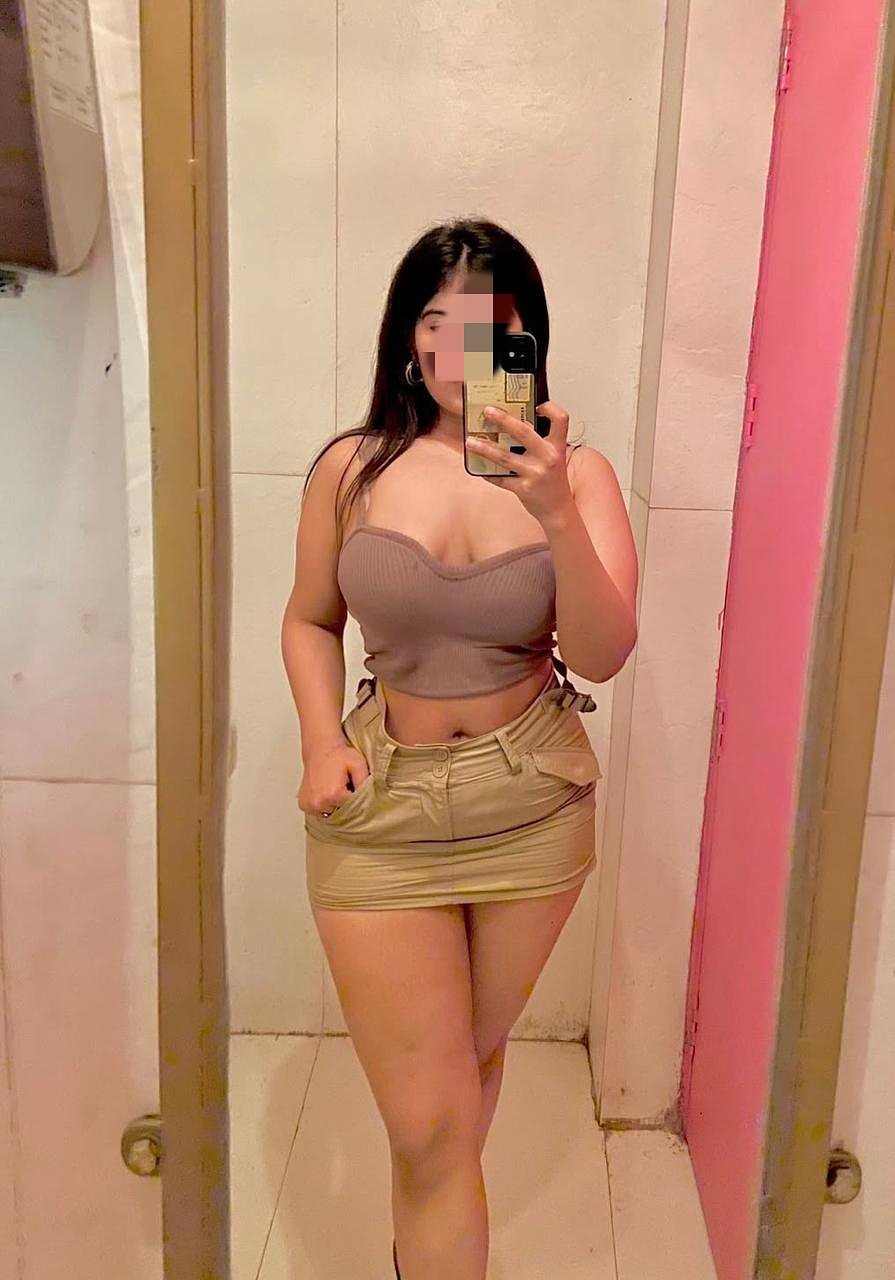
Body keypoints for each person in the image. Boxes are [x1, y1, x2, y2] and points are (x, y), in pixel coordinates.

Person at [280, 218, 638, 1279]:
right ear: (407, 336)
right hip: (380, 805)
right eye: (437, 321)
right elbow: (309, 619)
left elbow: (603, 653)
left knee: (455, 1083)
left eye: (488, 325)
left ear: (525, 339)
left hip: (530, 800)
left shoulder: (579, 475)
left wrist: (555, 508)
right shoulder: (351, 467)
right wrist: (318, 742)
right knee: (433, 1118)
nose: (458, 348)